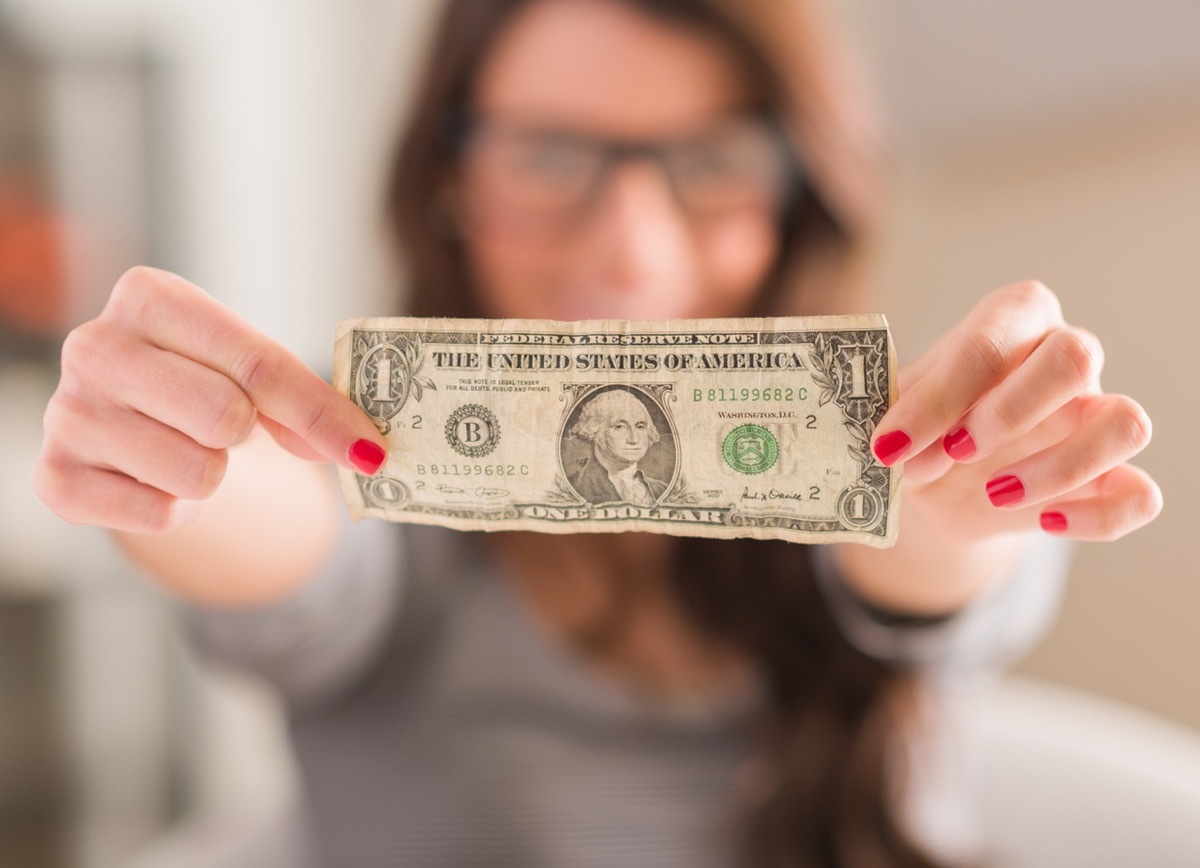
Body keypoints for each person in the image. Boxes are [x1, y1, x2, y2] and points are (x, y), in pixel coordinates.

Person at [33, 0, 1162, 865]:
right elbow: (289, 538)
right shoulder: (371, 463)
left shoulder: (895, 441)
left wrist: (962, 489)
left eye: (711, 163)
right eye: (548, 157)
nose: (629, 243)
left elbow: (925, 565)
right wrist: (182, 453)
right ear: (449, 181)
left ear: (797, 199)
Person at [565, 387, 671, 506]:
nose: (634, 439)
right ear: (594, 430)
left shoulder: (662, 490)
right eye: (620, 427)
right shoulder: (572, 489)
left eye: (640, 427)